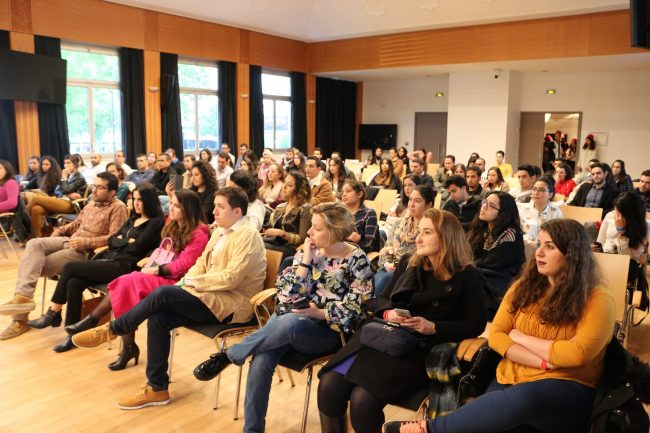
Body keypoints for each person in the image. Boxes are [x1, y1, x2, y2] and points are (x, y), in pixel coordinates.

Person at [384, 219, 615, 433]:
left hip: (569, 386)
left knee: (523, 399)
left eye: (550, 246)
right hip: (510, 376)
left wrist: (520, 337)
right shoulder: (523, 288)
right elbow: (497, 336)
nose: (539, 252)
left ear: (572, 254)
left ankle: (431, 429)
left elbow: (578, 354)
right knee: (489, 420)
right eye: (539, 245)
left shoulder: (597, 299)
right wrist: (545, 361)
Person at [71, 187, 266, 409]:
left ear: (238, 211)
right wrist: (188, 281)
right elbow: (200, 264)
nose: (214, 212)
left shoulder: (247, 235)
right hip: (208, 295)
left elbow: (230, 278)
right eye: (214, 206)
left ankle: (114, 328)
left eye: (220, 207)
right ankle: (157, 388)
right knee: (159, 318)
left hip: (232, 305)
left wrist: (189, 282)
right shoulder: (220, 232)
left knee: (163, 294)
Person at [192, 202, 374, 433]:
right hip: (285, 325)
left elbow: (358, 309)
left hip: (327, 332)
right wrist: (306, 262)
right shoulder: (307, 251)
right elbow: (286, 295)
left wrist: (319, 312)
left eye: (317, 228)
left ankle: (230, 354)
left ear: (335, 231)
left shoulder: (357, 259)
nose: (309, 232)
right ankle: (252, 430)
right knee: (261, 359)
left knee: (290, 321)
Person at [319, 209, 487, 433]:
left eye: (427, 232)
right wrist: (389, 313)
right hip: (380, 338)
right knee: (329, 387)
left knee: (362, 402)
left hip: (416, 350)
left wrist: (433, 327)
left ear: (447, 237)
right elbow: (380, 300)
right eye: (419, 231)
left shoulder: (467, 275)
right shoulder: (410, 262)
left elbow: (476, 324)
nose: (418, 238)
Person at [26, 184, 164, 353]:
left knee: (69, 267)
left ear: (149, 201)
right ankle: (72, 335)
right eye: (134, 199)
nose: (136, 203)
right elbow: (112, 240)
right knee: (74, 282)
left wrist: (123, 241)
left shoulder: (156, 222)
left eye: (140, 200)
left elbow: (137, 248)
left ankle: (54, 311)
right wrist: (126, 241)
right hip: (110, 259)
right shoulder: (132, 219)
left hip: (126, 267)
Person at [0, 172, 127, 340]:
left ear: (112, 192)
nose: (94, 190)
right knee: (33, 245)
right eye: (94, 186)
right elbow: (77, 224)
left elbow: (114, 238)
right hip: (70, 241)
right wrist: (59, 230)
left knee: (31, 265)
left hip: (86, 252)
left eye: (99, 187)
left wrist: (84, 242)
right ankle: (23, 298)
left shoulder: (118, 207)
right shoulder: (92, 202)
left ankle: (19, 320)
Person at [468, 191, 525, 317]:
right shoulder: (481, 229)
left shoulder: (511, 234)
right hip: (482, 274)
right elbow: (469, 254)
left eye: (491, 206)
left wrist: (468, 266)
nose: (484, 207)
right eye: (485, 202)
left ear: (503, 213)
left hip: (501, 281)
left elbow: (494, 263)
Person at [374, 186, 436, 297]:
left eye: (417, 201)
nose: (411, 204)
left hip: (411, 272)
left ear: (428, 205)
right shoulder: (399, 224)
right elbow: (386, 248)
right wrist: (387, 264)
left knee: (384, 281)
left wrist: (398, 266)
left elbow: (422, 258)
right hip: (389, 268)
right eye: (410, 199)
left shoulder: (430, 230)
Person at [27, 154, 87, 238]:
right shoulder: (68, 175)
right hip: (60, 200)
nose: (66, 165)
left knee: (35, 199)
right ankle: (37, 236)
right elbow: (56, 191)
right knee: (36, 209)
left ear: (75, 164)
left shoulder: (79, 178)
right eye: (65, 163)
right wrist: (67, 193)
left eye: (69, 163)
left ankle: (24, 219)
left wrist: (64, 178)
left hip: (70, 204)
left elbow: (65, 190)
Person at [262, 172, 312, 260]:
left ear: (299, 189)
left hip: (291, 248)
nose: (284, 187)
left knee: (259, 245)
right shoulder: (280, 206)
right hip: (275, 242)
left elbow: (303, 239)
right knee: (252, 241)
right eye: (284, 183)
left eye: (289, 185)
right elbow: (270, 227)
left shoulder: (306, 209)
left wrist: (282, 234)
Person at [595, 192, 649, 261]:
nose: (615, 215)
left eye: (619, 212)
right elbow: (600, 241)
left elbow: (628, 257)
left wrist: (621, 232)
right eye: (615, 210)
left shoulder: (645, 225)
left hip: (628, 262)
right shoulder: (610, 215)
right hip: (606, 256)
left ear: (630, 215)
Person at [517, 176, 563, 245]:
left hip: (547, 246)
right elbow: (517, 233)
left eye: (542, 190)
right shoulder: (521, 209)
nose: (536, 192)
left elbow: (559, 235)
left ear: (550, 195)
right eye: (534, 189)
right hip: (525, 245)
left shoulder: (555, 212)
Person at [341, 180, 381, 253]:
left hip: (357, 256)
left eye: (348, 191)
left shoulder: (369, 213)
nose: (344, 194)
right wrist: (346, 236)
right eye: (342, 192)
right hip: (338, 253)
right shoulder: (340, 214)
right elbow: (330, 239)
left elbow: (368, 245)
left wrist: (343, 246)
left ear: (360, 194)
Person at [188, 160, 218, 224]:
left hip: (203, 224)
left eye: (196, 175)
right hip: (190, 222)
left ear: (205, 175)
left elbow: (203, 214)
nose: (193, 178)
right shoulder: (191, 190)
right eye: (192, 175)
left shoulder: (213, 193)